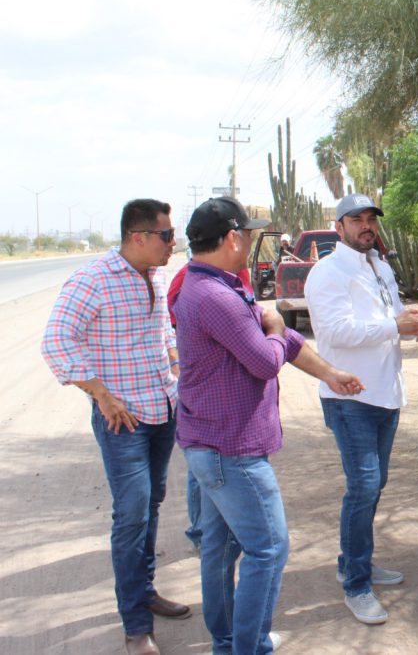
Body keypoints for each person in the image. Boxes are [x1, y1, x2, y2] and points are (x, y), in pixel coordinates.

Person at [174, 197, 364, 655]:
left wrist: (329, 373)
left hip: (211, 444)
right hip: (230, 450)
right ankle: (250, 645)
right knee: (269, 549)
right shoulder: (216, 296)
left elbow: (287, 342)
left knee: (222, 551)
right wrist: (276, 324)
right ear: (234, 238)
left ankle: (228, 641)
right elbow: (265, 358)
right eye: (250, 234)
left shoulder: (214, 286)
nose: (252, 243)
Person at [41, 198, 190, 655]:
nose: (173, 243)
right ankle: (135, 625)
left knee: (152, 505)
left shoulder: (155, 274)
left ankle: (144, 590)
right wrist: (101, 394)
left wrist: (175, 359)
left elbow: (161, 328)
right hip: (123, 421)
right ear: (138, 237)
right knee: (132, 515)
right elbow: (55, 342)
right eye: (166, 236)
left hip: (162, 409)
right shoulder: (92, 279)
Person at [304, 193, 418, 625]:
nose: (366, 226)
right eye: (356, 220)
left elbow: (392, 316)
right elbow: (335, 333)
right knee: (363, 486)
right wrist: (393, 325)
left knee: (373, 486)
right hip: (350, 399)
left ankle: (355, 560)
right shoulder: (328, 272)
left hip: (385, 394)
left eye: (370, 219)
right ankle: (356, 584)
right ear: (338, 226)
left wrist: (412, 321)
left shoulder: (380, 266)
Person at [166, 261, 253, 550]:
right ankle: (200, 532)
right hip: (205, 391)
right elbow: (178, 324)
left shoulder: (239, 274)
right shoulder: (190, 279)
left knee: (215, 472)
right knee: (200, 471)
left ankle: (213, 534)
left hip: (230, 394)